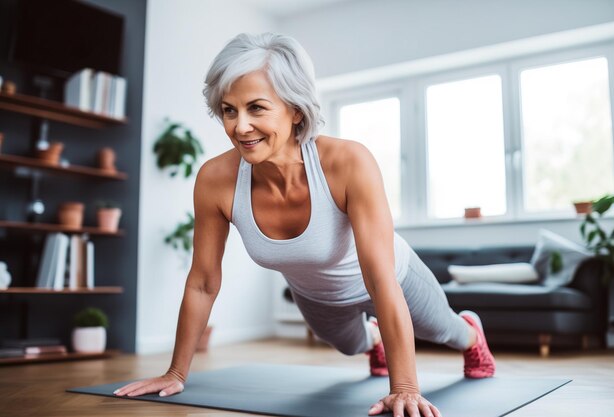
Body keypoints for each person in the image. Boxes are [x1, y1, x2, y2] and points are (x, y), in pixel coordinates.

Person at [113, 32, 496, 417]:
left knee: (445, 331)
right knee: (350, 346)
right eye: (229, 110)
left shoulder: (348, 162)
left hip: (391, 275)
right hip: (316, 295)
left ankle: (472, 332)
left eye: (257, 108)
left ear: (296, 109)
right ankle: (375, 338)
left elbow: (380, 279)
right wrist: (176, 371)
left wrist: (405, 388)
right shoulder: (216, 179)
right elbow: (203, 281)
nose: (240, 126)